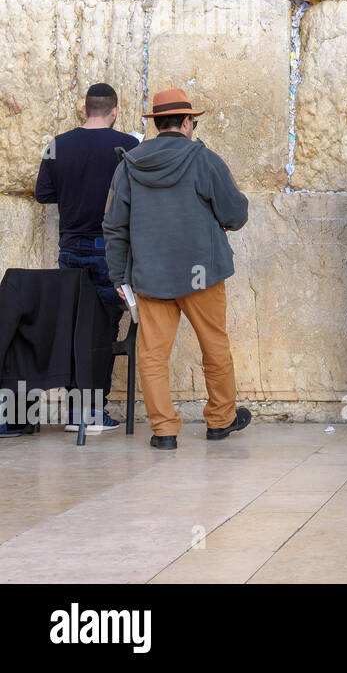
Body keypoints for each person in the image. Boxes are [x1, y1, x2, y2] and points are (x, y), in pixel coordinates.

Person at [103, 88, 251, 451]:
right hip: (202, 274)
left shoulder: (129, 164)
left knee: (153, 356)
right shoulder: (204, 159)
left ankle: (164, 430)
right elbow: (235, 213)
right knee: (214, 346)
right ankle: (220, 420)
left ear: (157, 124)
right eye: (193, 122)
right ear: (186, 122)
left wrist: (119, 276)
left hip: (151, 277)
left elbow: (114, 226)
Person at [34, 83, 139, 433]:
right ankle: (94, 411)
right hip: (109, 249)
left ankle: (77, 411)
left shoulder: (56, 145)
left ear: (84, 109)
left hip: (70, 248)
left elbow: (44, 195)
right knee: (105, 327)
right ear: (115, 111)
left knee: (75, 325)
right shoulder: (129, 145)